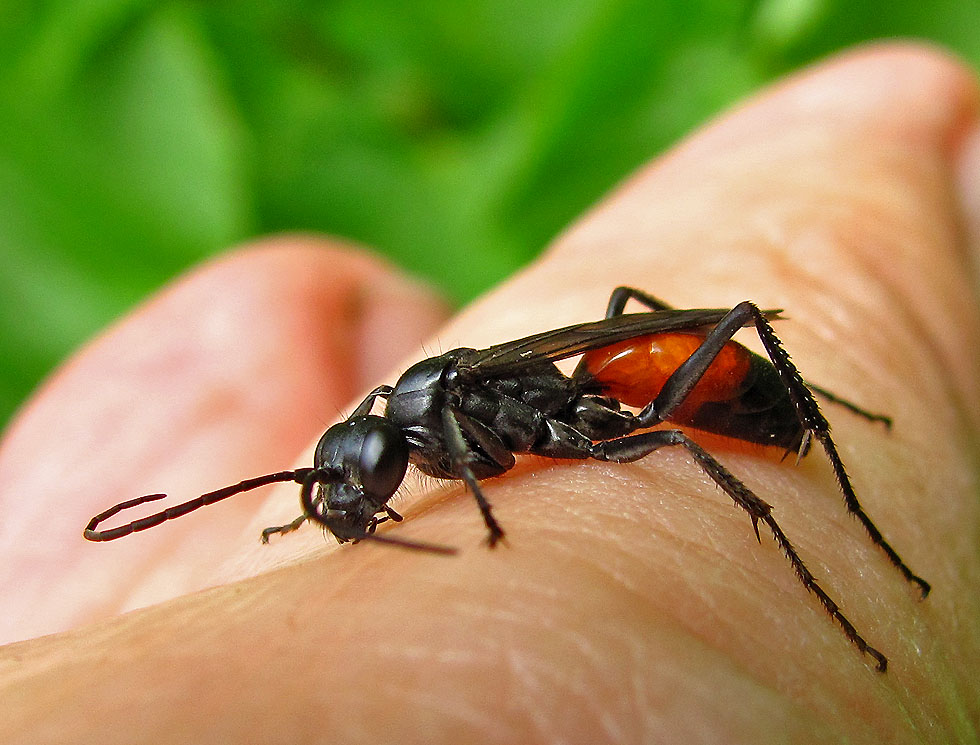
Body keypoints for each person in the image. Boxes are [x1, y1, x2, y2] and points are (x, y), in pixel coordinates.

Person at [1, 43, 977, 743]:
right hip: (595, 387)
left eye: (355, 483)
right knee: (662, 376)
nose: (365, 493)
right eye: (352, 486)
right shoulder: (406, 428)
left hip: (677, 389)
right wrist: (320, 509)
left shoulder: (455, 414)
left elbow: (504, 450)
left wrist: (843, 534)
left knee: (680, 414)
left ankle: (850, 500)